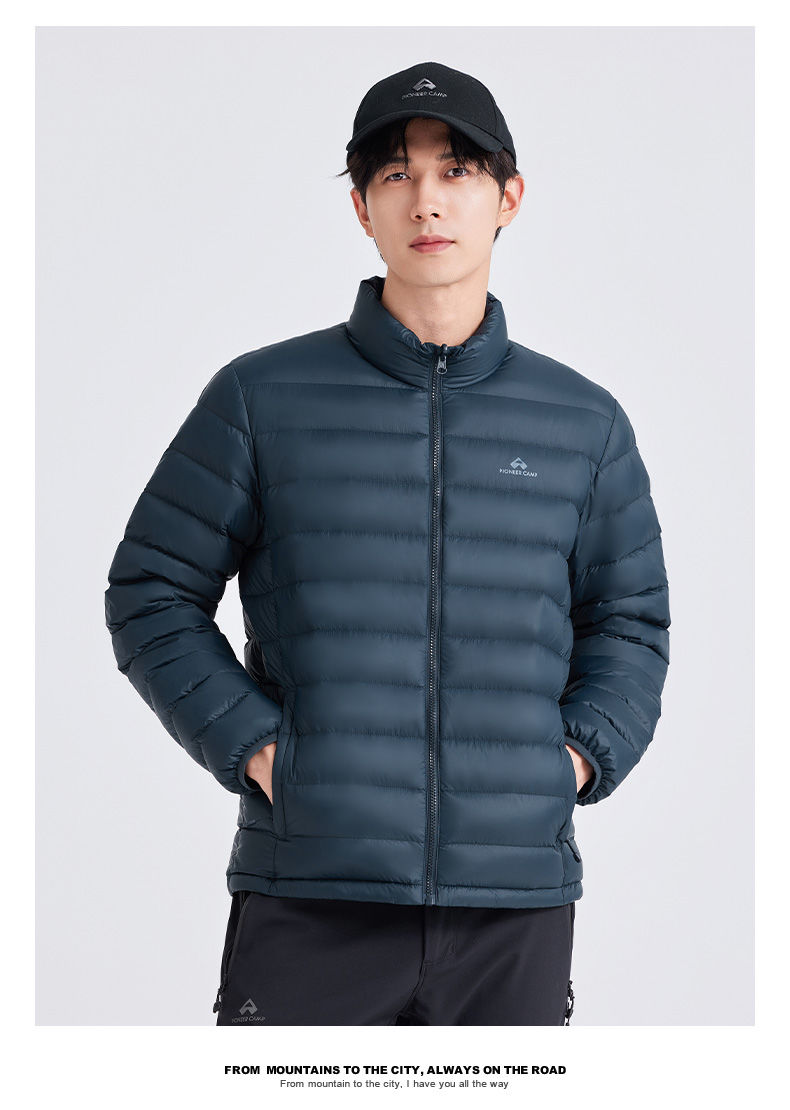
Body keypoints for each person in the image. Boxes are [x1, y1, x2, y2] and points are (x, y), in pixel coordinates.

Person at [104, 60, 670, 1026]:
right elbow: (151, 590)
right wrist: (263, 753)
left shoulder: (583, 422)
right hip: (310, 895)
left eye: (457, 171)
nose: (427, 201)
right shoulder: (260, 399)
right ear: (363, 208)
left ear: (509, 198)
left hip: (513, 907)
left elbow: (629, 621)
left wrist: (570, 762)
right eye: (397, 174)